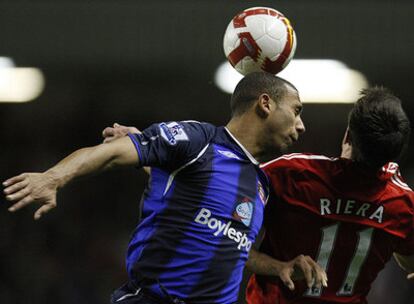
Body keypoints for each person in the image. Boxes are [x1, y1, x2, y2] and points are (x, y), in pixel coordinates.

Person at [3, 72, 323, 304]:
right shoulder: (198, 141)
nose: (301, 125)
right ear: (265, 104)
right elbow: (112, 153)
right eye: (296, 111)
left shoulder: (262, 184)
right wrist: (54, 177)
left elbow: (233, 248)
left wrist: (279, 266)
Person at [245, 87, 414, 304]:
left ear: (347, 135)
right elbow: (409, 261)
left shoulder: (290, 175)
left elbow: (224, 237)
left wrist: (279, 268)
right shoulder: (403, 205)